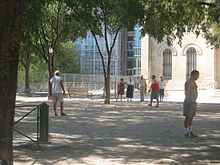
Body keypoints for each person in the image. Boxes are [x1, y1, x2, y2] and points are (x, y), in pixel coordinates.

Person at [183, 70, 199, 138]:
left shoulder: (194, 82)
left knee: (191, 117)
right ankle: (186, 132)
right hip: (189, 102)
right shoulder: (188, 82)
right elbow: (187, 92)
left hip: (193, 102)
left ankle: (190, 131)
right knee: (188, 117)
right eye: (197, 75)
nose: (198, 77)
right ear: (193, 75)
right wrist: (191, 99)